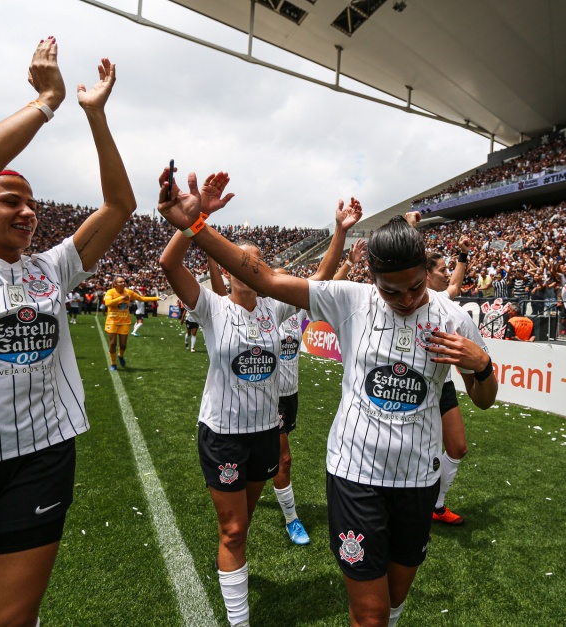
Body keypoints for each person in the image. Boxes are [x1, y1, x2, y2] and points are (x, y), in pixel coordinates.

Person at [156, 173, 497, 627]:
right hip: (356, 475)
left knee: (394, 603)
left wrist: (482, 365)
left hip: (418, 480)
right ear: (372, 278)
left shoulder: (454, 317)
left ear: (424, 272)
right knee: (370, 615)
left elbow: (484, 399)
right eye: (390, 290)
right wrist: (196, 225)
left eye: (414, 287)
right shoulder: (350, 300)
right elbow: (269, 278)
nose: (404, 299)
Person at [0, 40, 136, 627]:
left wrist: (95, 116)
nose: (28, 212)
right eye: (11, 200)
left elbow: (120, 203)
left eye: (33, 204)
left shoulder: (52, 268)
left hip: (40, 457)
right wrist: (47, 101)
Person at [160, 171, 359, 626]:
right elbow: (170, 267)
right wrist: (197, 217)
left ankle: (228, 564)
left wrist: (340, 232)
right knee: (233, 529)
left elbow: (323, 277)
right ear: (227, 269)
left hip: (266, 433)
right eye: (242, 262)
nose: (250, 268)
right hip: (223, 435)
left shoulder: (276, 307)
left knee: (242, 524)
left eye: (257, 263)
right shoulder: (213, 308)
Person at [423, 236, 473, 525]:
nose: (446, 273)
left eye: (446, 268)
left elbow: (454, 285)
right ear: (426, 273)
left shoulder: (444, 299)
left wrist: (463, 255)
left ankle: (436, 505)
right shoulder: (407, 297)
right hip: (414, 386)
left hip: (442, 384)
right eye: (441, 269)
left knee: (458, 448)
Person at [102, 276, 160, 370]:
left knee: (123, 345)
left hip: (125, 321)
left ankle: (120, 356)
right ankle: (113, 364)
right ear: (115, 284)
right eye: (120, 282)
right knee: (113, 343)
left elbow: (141, 298)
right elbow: (108, 303)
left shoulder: (129, 292)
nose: (123, 283)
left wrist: (157, 298)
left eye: (124, 281)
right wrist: (121, 298)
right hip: (112, 321)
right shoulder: (110, 292)